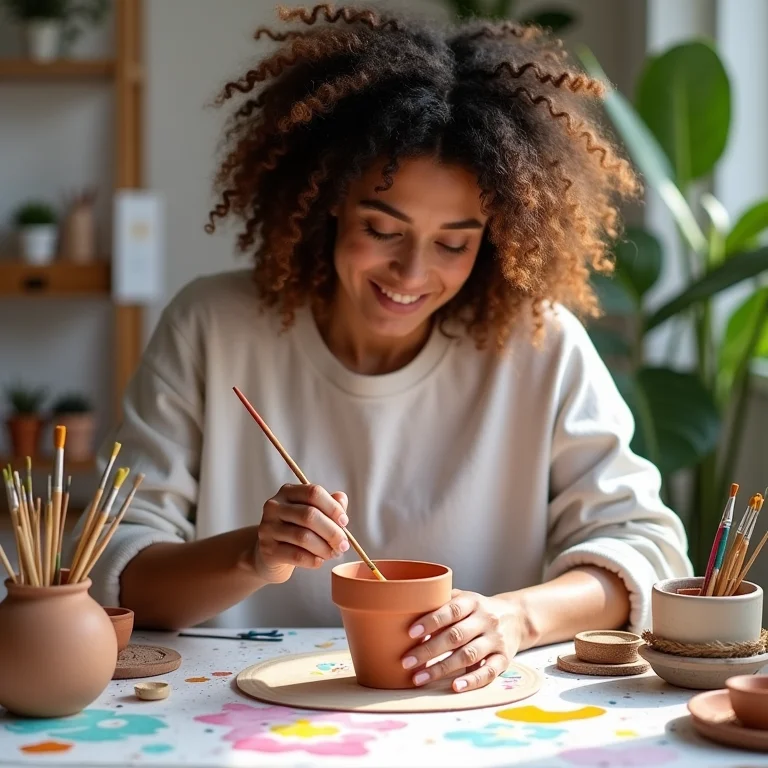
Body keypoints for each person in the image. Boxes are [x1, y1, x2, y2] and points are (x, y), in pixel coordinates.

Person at [83, 4, 692, 693]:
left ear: (493, 239)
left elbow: (646, 550)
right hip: (230, 711)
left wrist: (512, 621)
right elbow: (117, 573)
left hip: (470, 721)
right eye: (382, 227)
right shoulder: (213, 326)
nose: (410, 273)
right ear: (331, 199)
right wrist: (253, 555)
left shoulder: (540, 345)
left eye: (453, 244)